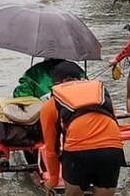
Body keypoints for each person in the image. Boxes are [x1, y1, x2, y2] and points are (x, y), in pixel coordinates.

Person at [40, 61, 125, 196]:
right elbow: (113, 121)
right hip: (112, 149)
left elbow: (51, 151)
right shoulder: (100, 92)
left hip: (77, 152)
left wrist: (53, 181)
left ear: (56, 83)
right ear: (81, 78)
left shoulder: (51, 103)